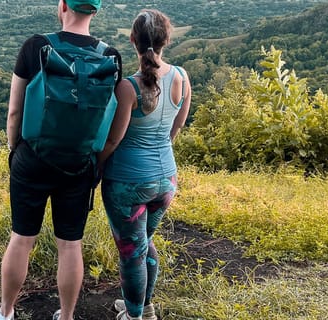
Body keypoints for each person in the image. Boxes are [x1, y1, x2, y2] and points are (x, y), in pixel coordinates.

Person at [0, 1, 121, 320]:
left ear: (62, 5)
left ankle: (6, 312)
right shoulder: (111, 57)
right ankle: (65, 316)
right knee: (70, 244)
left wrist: (16, 151)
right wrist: (97, 160)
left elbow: (14, 113)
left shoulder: (35, 46)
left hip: (33, 159)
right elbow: (108, 120)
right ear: (96, 10)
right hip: (80, 163)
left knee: (22, 238)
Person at [97, 9, 191, 320]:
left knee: (131, 253)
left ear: (132, 40)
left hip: (128, 183)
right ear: (167, 39)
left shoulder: (128, 88)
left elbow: (112, 141)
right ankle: (143, 307)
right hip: (166, 179)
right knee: (144, 243)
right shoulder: (181, 77)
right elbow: (175, 130)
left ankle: (134, 316)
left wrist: (94, 169)